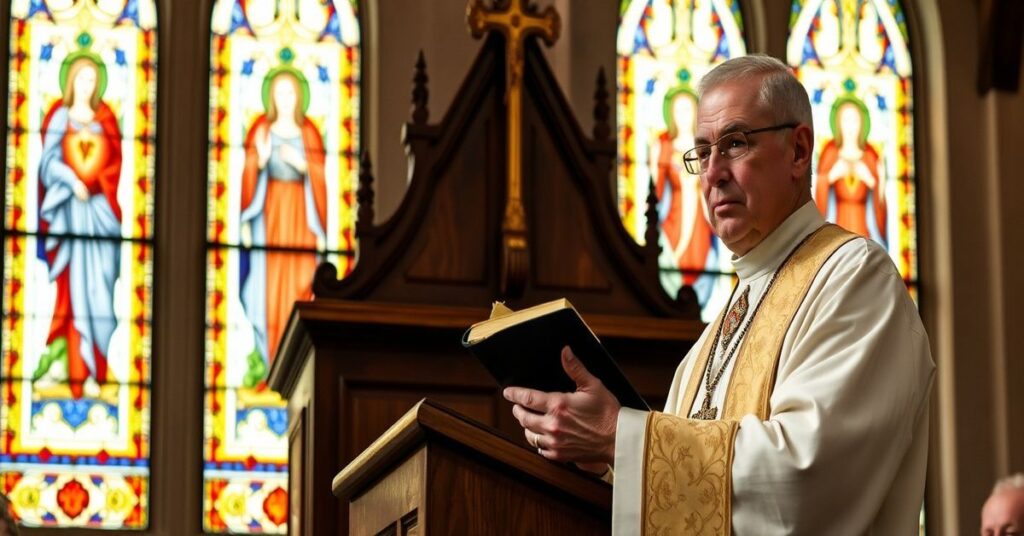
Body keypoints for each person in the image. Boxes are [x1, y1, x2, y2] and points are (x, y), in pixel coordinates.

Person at [503, 55, 934, 534]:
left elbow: (805, 479)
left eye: (735, 143)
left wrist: (616, 439)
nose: (712, 174)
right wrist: (603, 466)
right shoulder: (712, 338)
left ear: (798, 150)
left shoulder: (855, 279)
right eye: (703, 153)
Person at [34, 53, 122, 400]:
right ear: (70, 82)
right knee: (72, 293)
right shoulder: (59, 117)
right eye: (81, 79)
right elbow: (48, 163)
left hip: (100, 218)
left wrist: (97, 184)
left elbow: (115, 164)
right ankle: (72, 368)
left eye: (91, 80)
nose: (87, 86)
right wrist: (72, 182)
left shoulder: (107, 120)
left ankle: (97, 368)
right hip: (70, 216)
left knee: (99, 292)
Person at [239, 67, 328, 387]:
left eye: (291, 92)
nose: (286, 99)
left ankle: (296, 373)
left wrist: (302, 164)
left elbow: (318, 176)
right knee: (269, 291)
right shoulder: (261, 130)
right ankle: (269, 364)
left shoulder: (310, 134)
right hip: (270, 218)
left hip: (301, 221)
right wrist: (260, 162)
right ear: (272, 98)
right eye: (280, 93)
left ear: (299, 97)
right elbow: (249, 175)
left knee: (298, 287)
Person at [815, 96, 887, 244]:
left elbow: (880, 205)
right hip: (835, 238)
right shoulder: (830, 154)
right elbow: (817, 202)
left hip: (866, 238)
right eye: (845, 120)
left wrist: (874, 183)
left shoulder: (870, 157)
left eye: (854, 120)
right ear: (838, 123)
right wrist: (829, 178)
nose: (850, 126)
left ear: (862, 124)